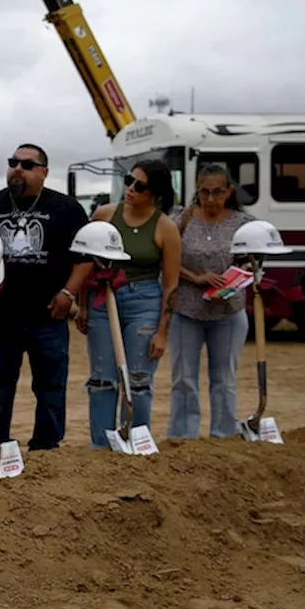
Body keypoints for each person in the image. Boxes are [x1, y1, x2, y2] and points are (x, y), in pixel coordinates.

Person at [0, 144, 90, 450]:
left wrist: (69, 292)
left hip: (47, 316)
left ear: (44, 172)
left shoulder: (66, 209)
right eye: (13, 162)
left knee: (50, 386)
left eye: (27, 164)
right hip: (2, 317)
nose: (17, 169)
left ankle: (46, 447)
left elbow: (85, 256)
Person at [79, 159, 183, 448]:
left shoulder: (165, 228)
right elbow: (86, 261)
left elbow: (171, 284)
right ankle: (100, 445)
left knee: (138, 379)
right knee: (102, 378)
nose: (131, 189)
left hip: (145, 300)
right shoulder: (104, 215)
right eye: (128, 181)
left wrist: (162, 331)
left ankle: (137, 442)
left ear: (157, 193)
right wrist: (83, 305)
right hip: (103, 297)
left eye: (140, 186)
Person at [166, 164, 254, 439]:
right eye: (205, 192)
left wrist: (241, 275)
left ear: (229, 191)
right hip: (186, 310)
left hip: (228, 311)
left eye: (217, 192)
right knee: (183, 379)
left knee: (225, 379)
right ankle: (182, 437)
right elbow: (166, 260)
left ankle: (224, 436)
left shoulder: (244, 224)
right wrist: (196, 277)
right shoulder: (181, 219)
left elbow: (252, 261)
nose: (211, 199)